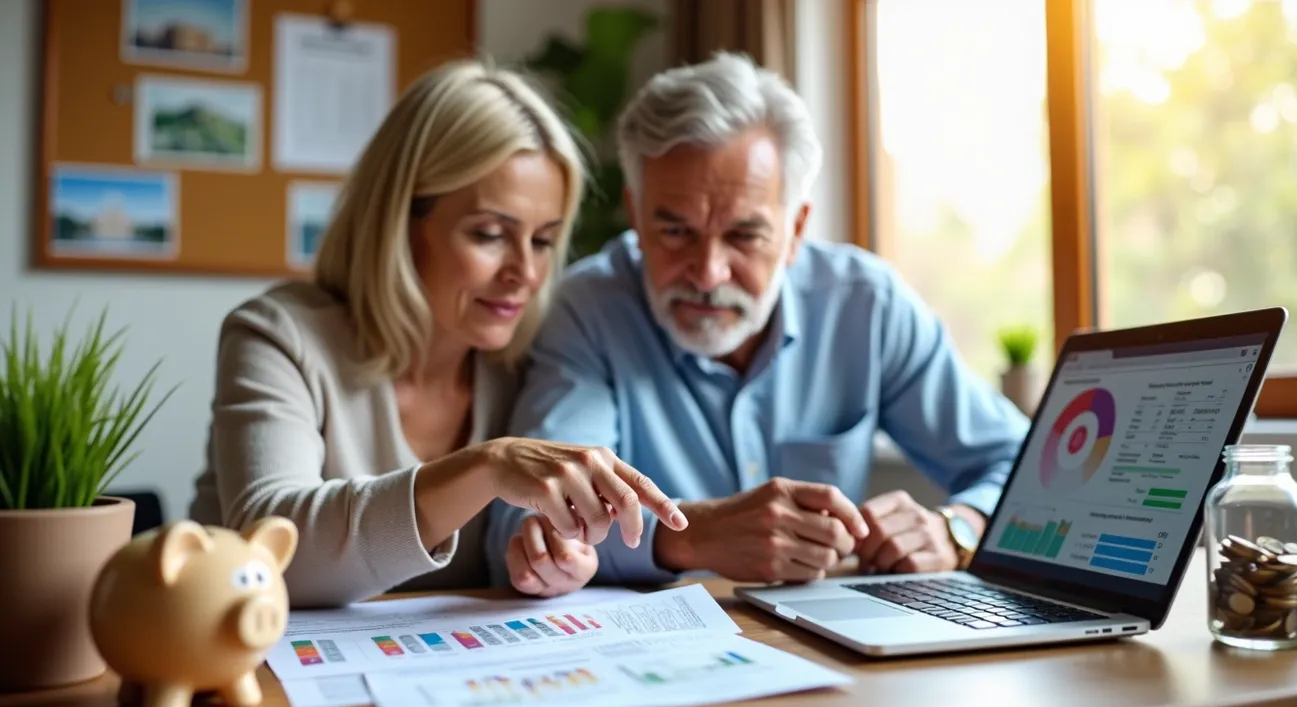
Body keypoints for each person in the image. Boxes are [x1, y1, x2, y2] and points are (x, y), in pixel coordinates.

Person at [486, 52, 1029, 595]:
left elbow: (1024, 468)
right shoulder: (587, 310)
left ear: (795, 230)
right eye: (675, 232)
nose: (707, 272)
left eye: (745, 236)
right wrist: (691, 536)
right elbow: (527, 518)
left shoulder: (867, 306)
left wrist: (957, 528)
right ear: (635, 214)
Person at [189, 60, 687, 608]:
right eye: (490, 234)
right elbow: (268, 555)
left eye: (543, 241)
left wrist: (556, 561)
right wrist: (485, 467)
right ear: (399, 222)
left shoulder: (524, 360)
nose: (524, 272)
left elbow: (527, 545)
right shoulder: (278, 338)